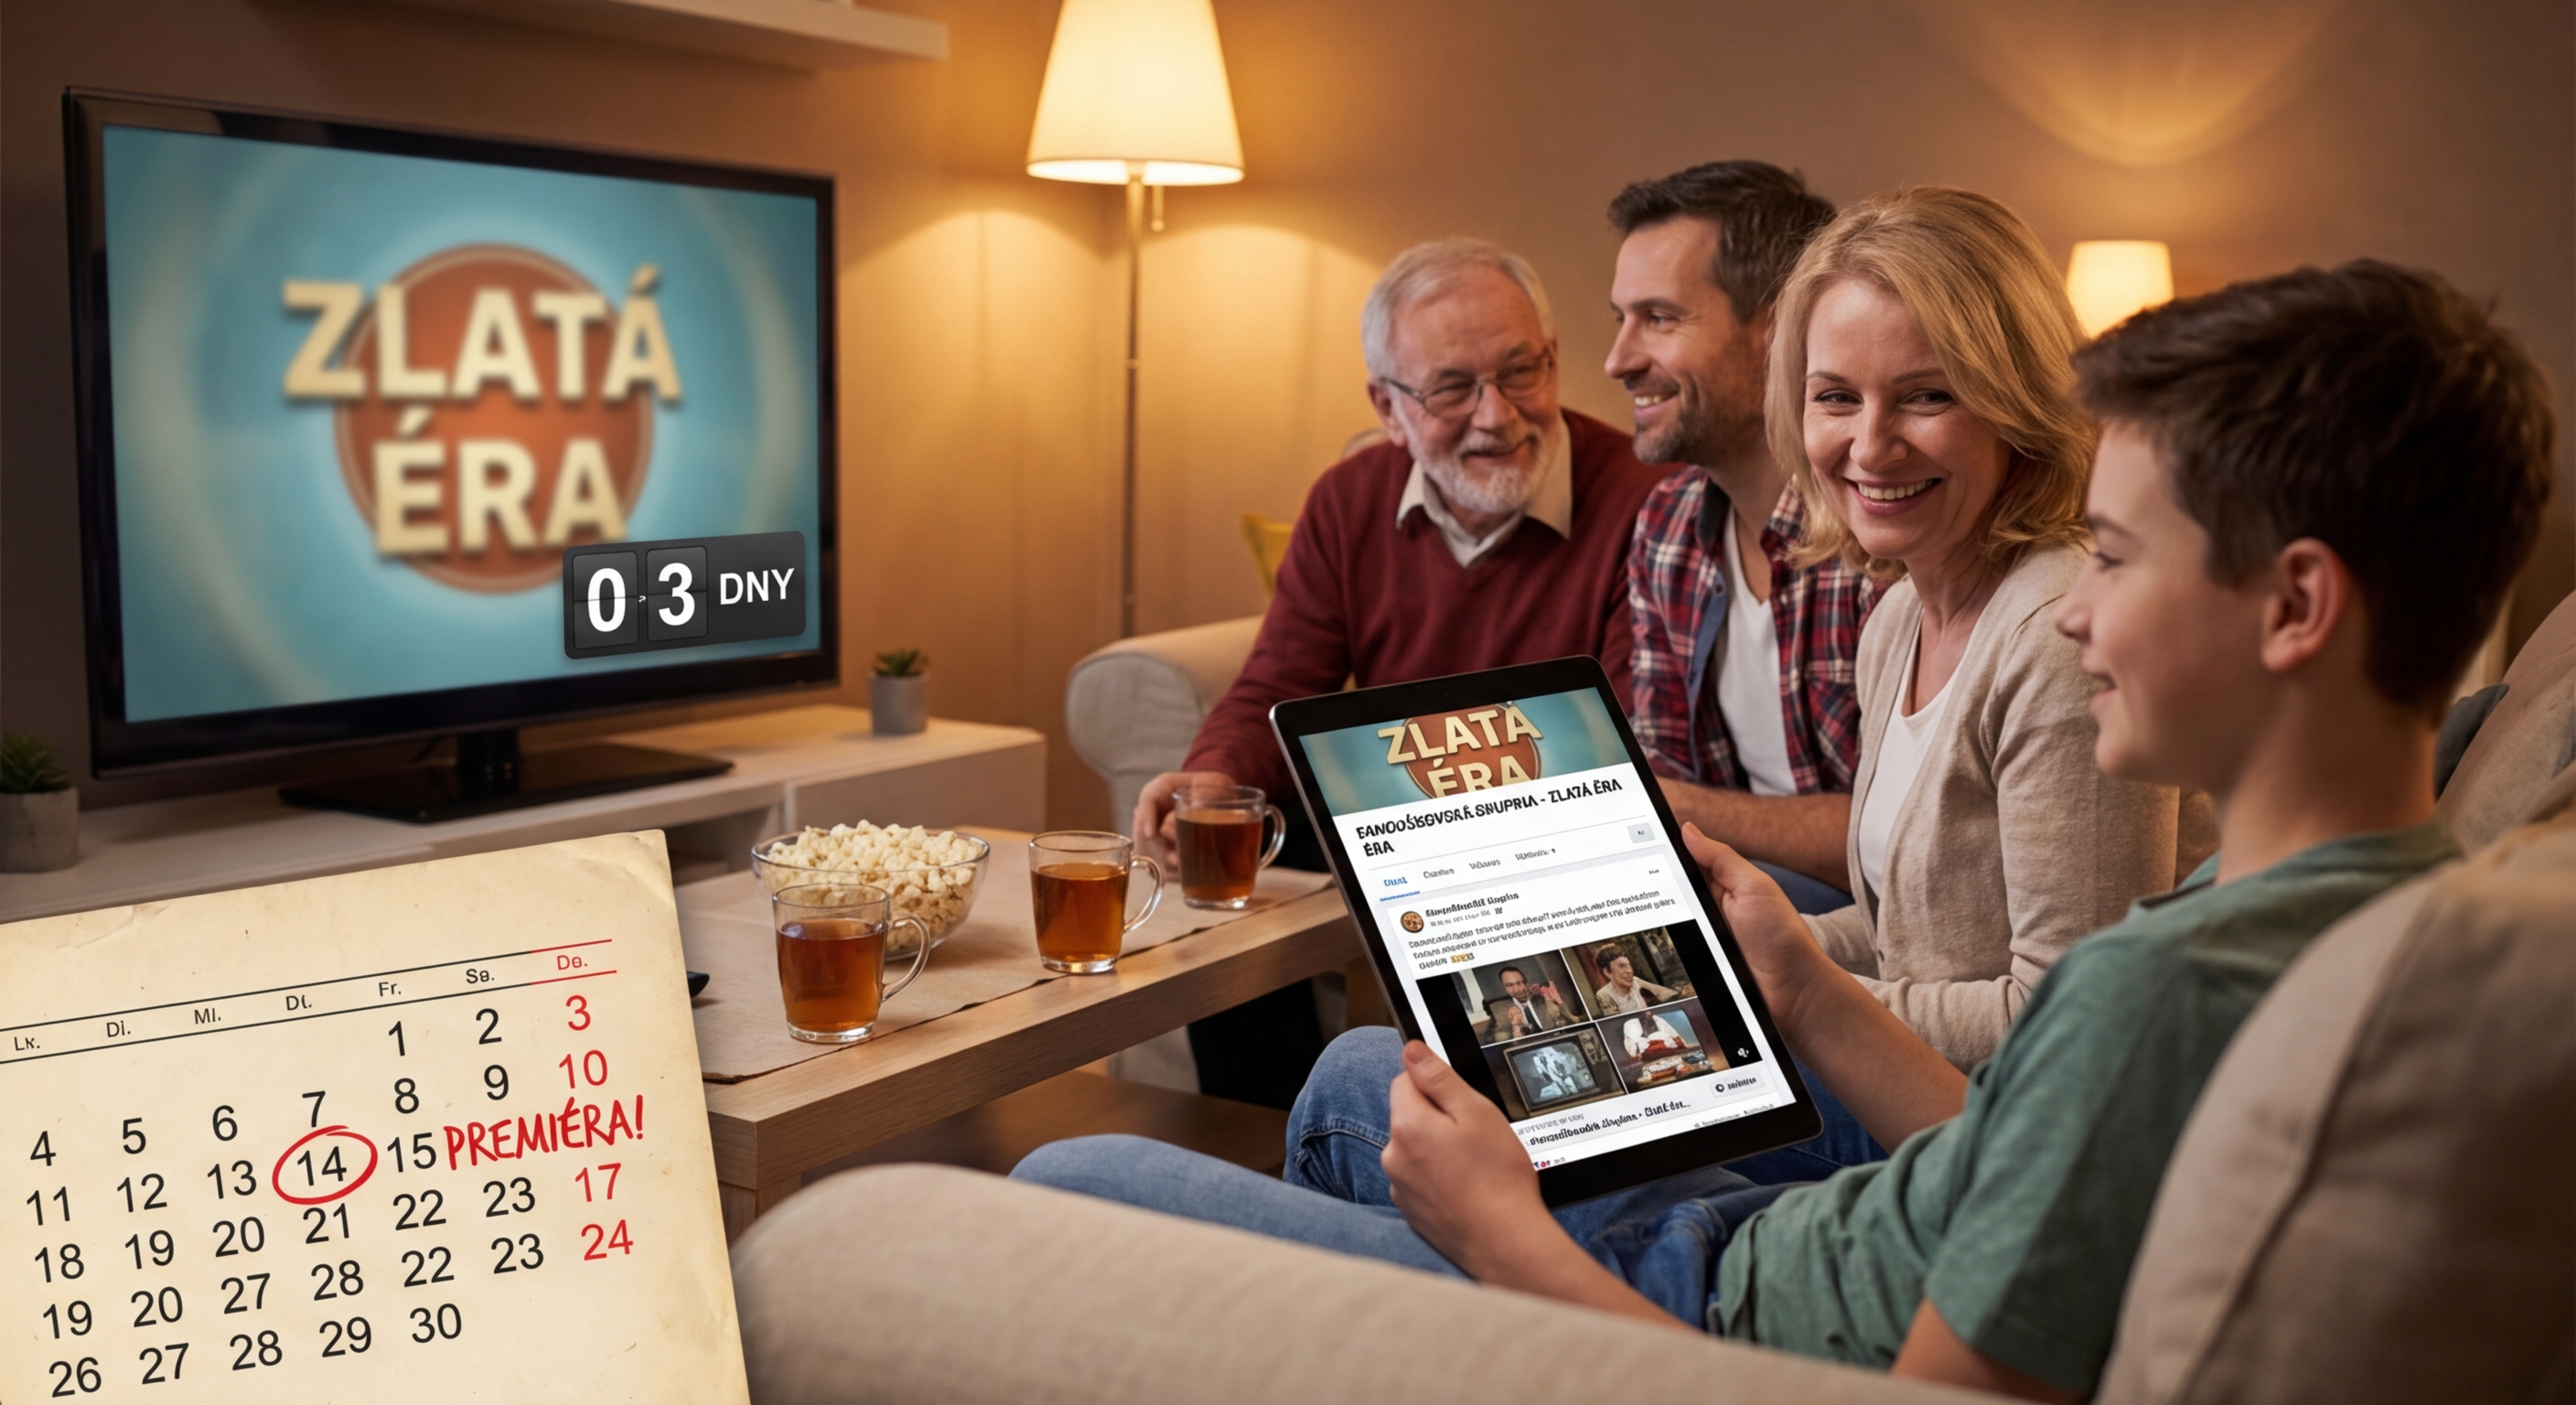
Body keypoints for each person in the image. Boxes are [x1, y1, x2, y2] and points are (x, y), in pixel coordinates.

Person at [1015, 255, 2551, 1400]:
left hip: (1721, 1316)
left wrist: (1505, 1241)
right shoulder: (2355, 899)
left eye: (2113, 554)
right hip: (1818, 1242)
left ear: (2293, 605)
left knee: (1057, 1196)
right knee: (1375, 1073)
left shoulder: (2165, 987)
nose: (2072, 610)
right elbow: (2031, 1162)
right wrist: (1802, 985)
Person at [1136, 239, 1667, 1107]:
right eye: (1452, 389)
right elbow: (1279, 683)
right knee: (1223, 862)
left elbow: (1618, 748)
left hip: (1547, 828)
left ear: (1555, 359)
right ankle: (1282, 1142)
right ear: (1387, 406)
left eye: (1520, 371)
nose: (1497, 415)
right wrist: (1210, 782)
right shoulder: (1349, 499)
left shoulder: (1647, 501)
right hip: (1389, 812)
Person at [1774, 188, 2208, 1073]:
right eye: (1836, 397)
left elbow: (2066, 1024)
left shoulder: (2060, 637)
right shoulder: (1898, 615)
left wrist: (1785, 999)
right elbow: (1922, 935)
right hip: (1900, 1069)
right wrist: (1757, 959)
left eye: (1927, 396)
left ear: (2017, 407)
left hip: (1989, 1118)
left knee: (1419, 1084)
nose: (1871, 446)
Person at [1611, 161, 1878, 917]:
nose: (1619, 359)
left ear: (1777, 330)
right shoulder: (1668, 527)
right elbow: (1663, 776)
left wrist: (1658, 803)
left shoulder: (1880, 530)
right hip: (1732, 894)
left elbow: (1902, 837)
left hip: (1869, 933)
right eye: (1620, 318)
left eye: (1659, 319)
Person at [1590, 948, 1678, 1015]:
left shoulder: (1635, 981)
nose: (1630, 971)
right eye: (1622, 966)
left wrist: (1679, 996)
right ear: (1607, 972)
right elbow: (1618, 1023)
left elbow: (1663, 992)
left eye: (1629, 965)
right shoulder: (1604, 994)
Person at [1492, 965, 1572, 1034]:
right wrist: (1516, 1027)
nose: (1516, 990)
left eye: (1519, 983)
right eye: (1509, 985)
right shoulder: (1502, 1011)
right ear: (1504, 987)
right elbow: (1505, 1040)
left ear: (1526, 983)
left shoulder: (1544, 997)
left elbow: (1570, 1023)